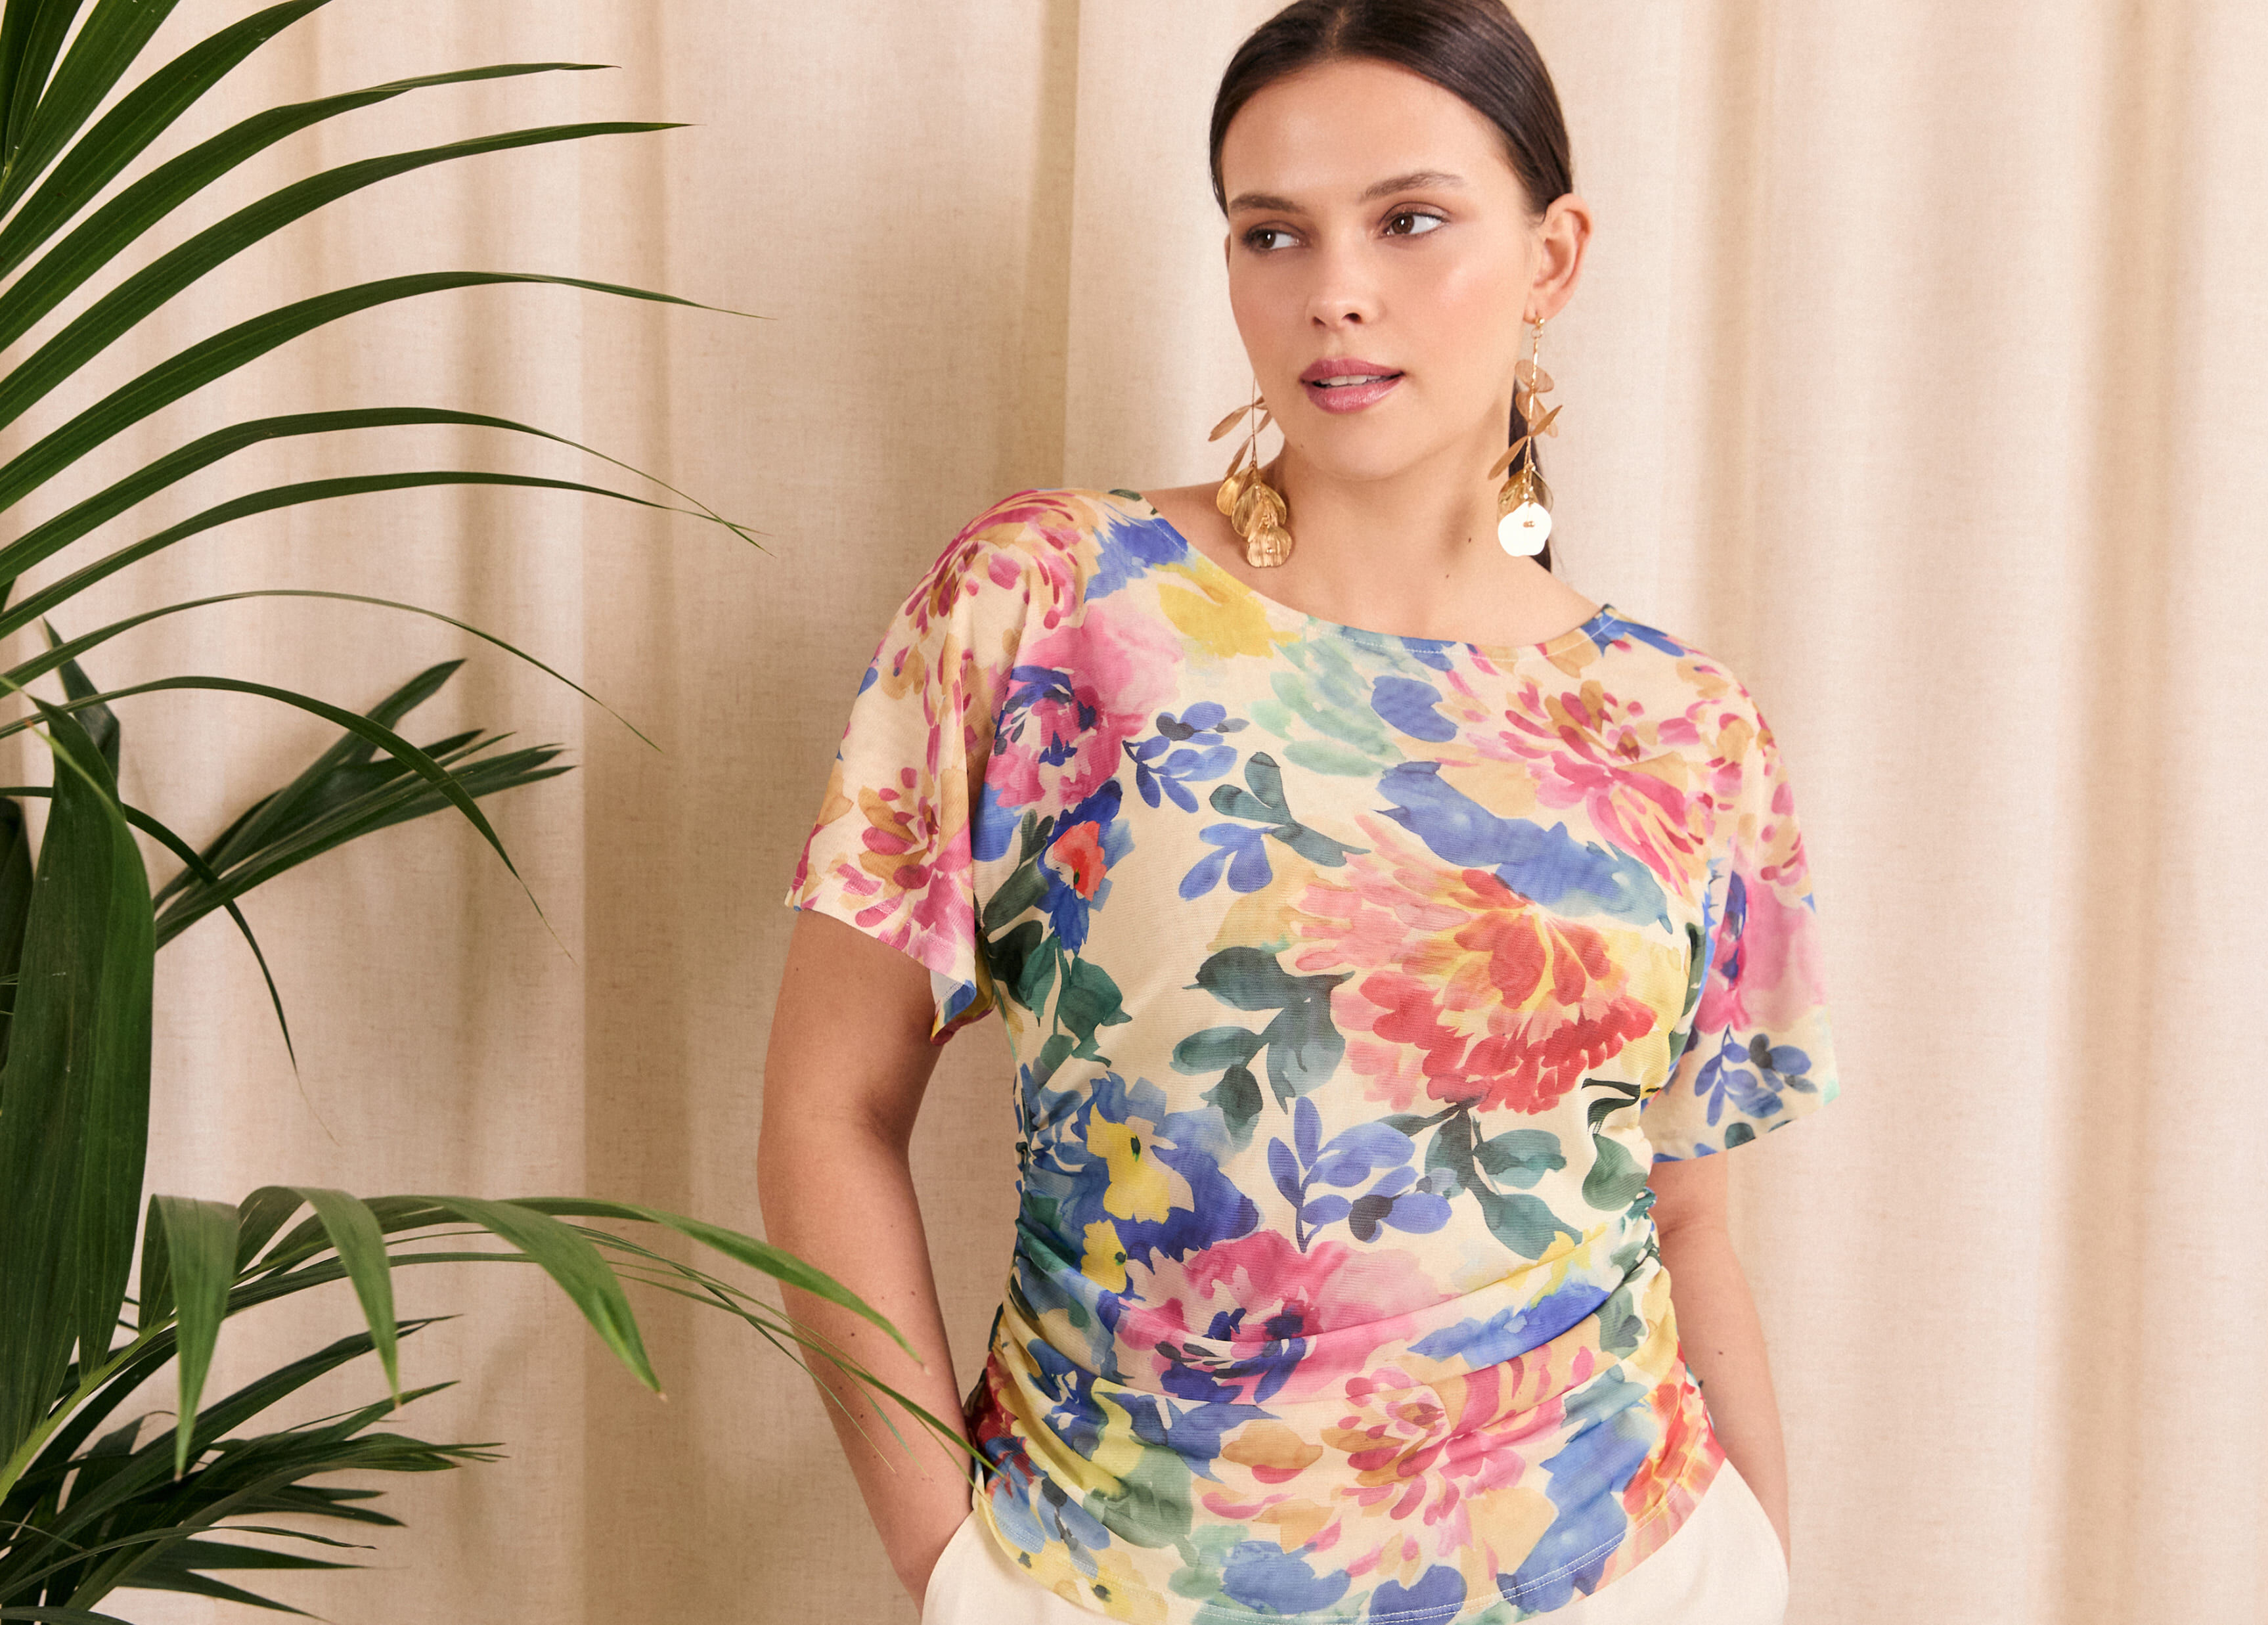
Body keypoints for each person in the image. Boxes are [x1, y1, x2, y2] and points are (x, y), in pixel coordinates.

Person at [757, 3, 1840, 1620]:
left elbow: (1682, 1209)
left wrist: (1760, 1559)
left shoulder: (1684, 726)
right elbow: (826, 1113)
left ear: (1552, 258)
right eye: (1273, 232)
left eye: (1410, 221)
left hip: (1628, 1570)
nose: (1333, 288)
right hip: (1100, 1577)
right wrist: (952, 1566)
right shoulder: (1049, 605)